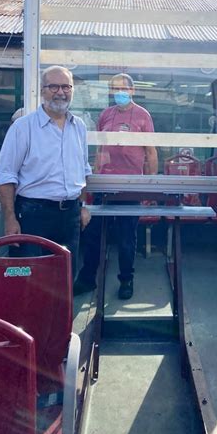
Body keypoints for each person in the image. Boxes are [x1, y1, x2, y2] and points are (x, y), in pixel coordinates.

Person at [0, 65, 92, 279]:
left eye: (66, 87)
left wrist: (83, 207)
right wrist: (10, 219)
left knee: (65, 277)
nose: (60, 92)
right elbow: (6, 176)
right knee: (29, 279)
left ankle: (60, 314)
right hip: (33, 216)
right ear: (42, 90)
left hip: (70, 216)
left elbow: (84, 171)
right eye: (54, 86)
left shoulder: (79, 127)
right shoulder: (22, 128)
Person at [75, 73, 158, 299]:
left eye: (123, 89)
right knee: (93, 234)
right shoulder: (105, 115)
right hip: (105, 184)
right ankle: (87, 278)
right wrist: (93, 179)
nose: (119, 93)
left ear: (132, 91)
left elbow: (151, 152)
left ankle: (126, 280)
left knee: (126, 238)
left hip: (130, 186)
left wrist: (149, 186)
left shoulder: (143, 116)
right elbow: (101, 150)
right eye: (115, 89)